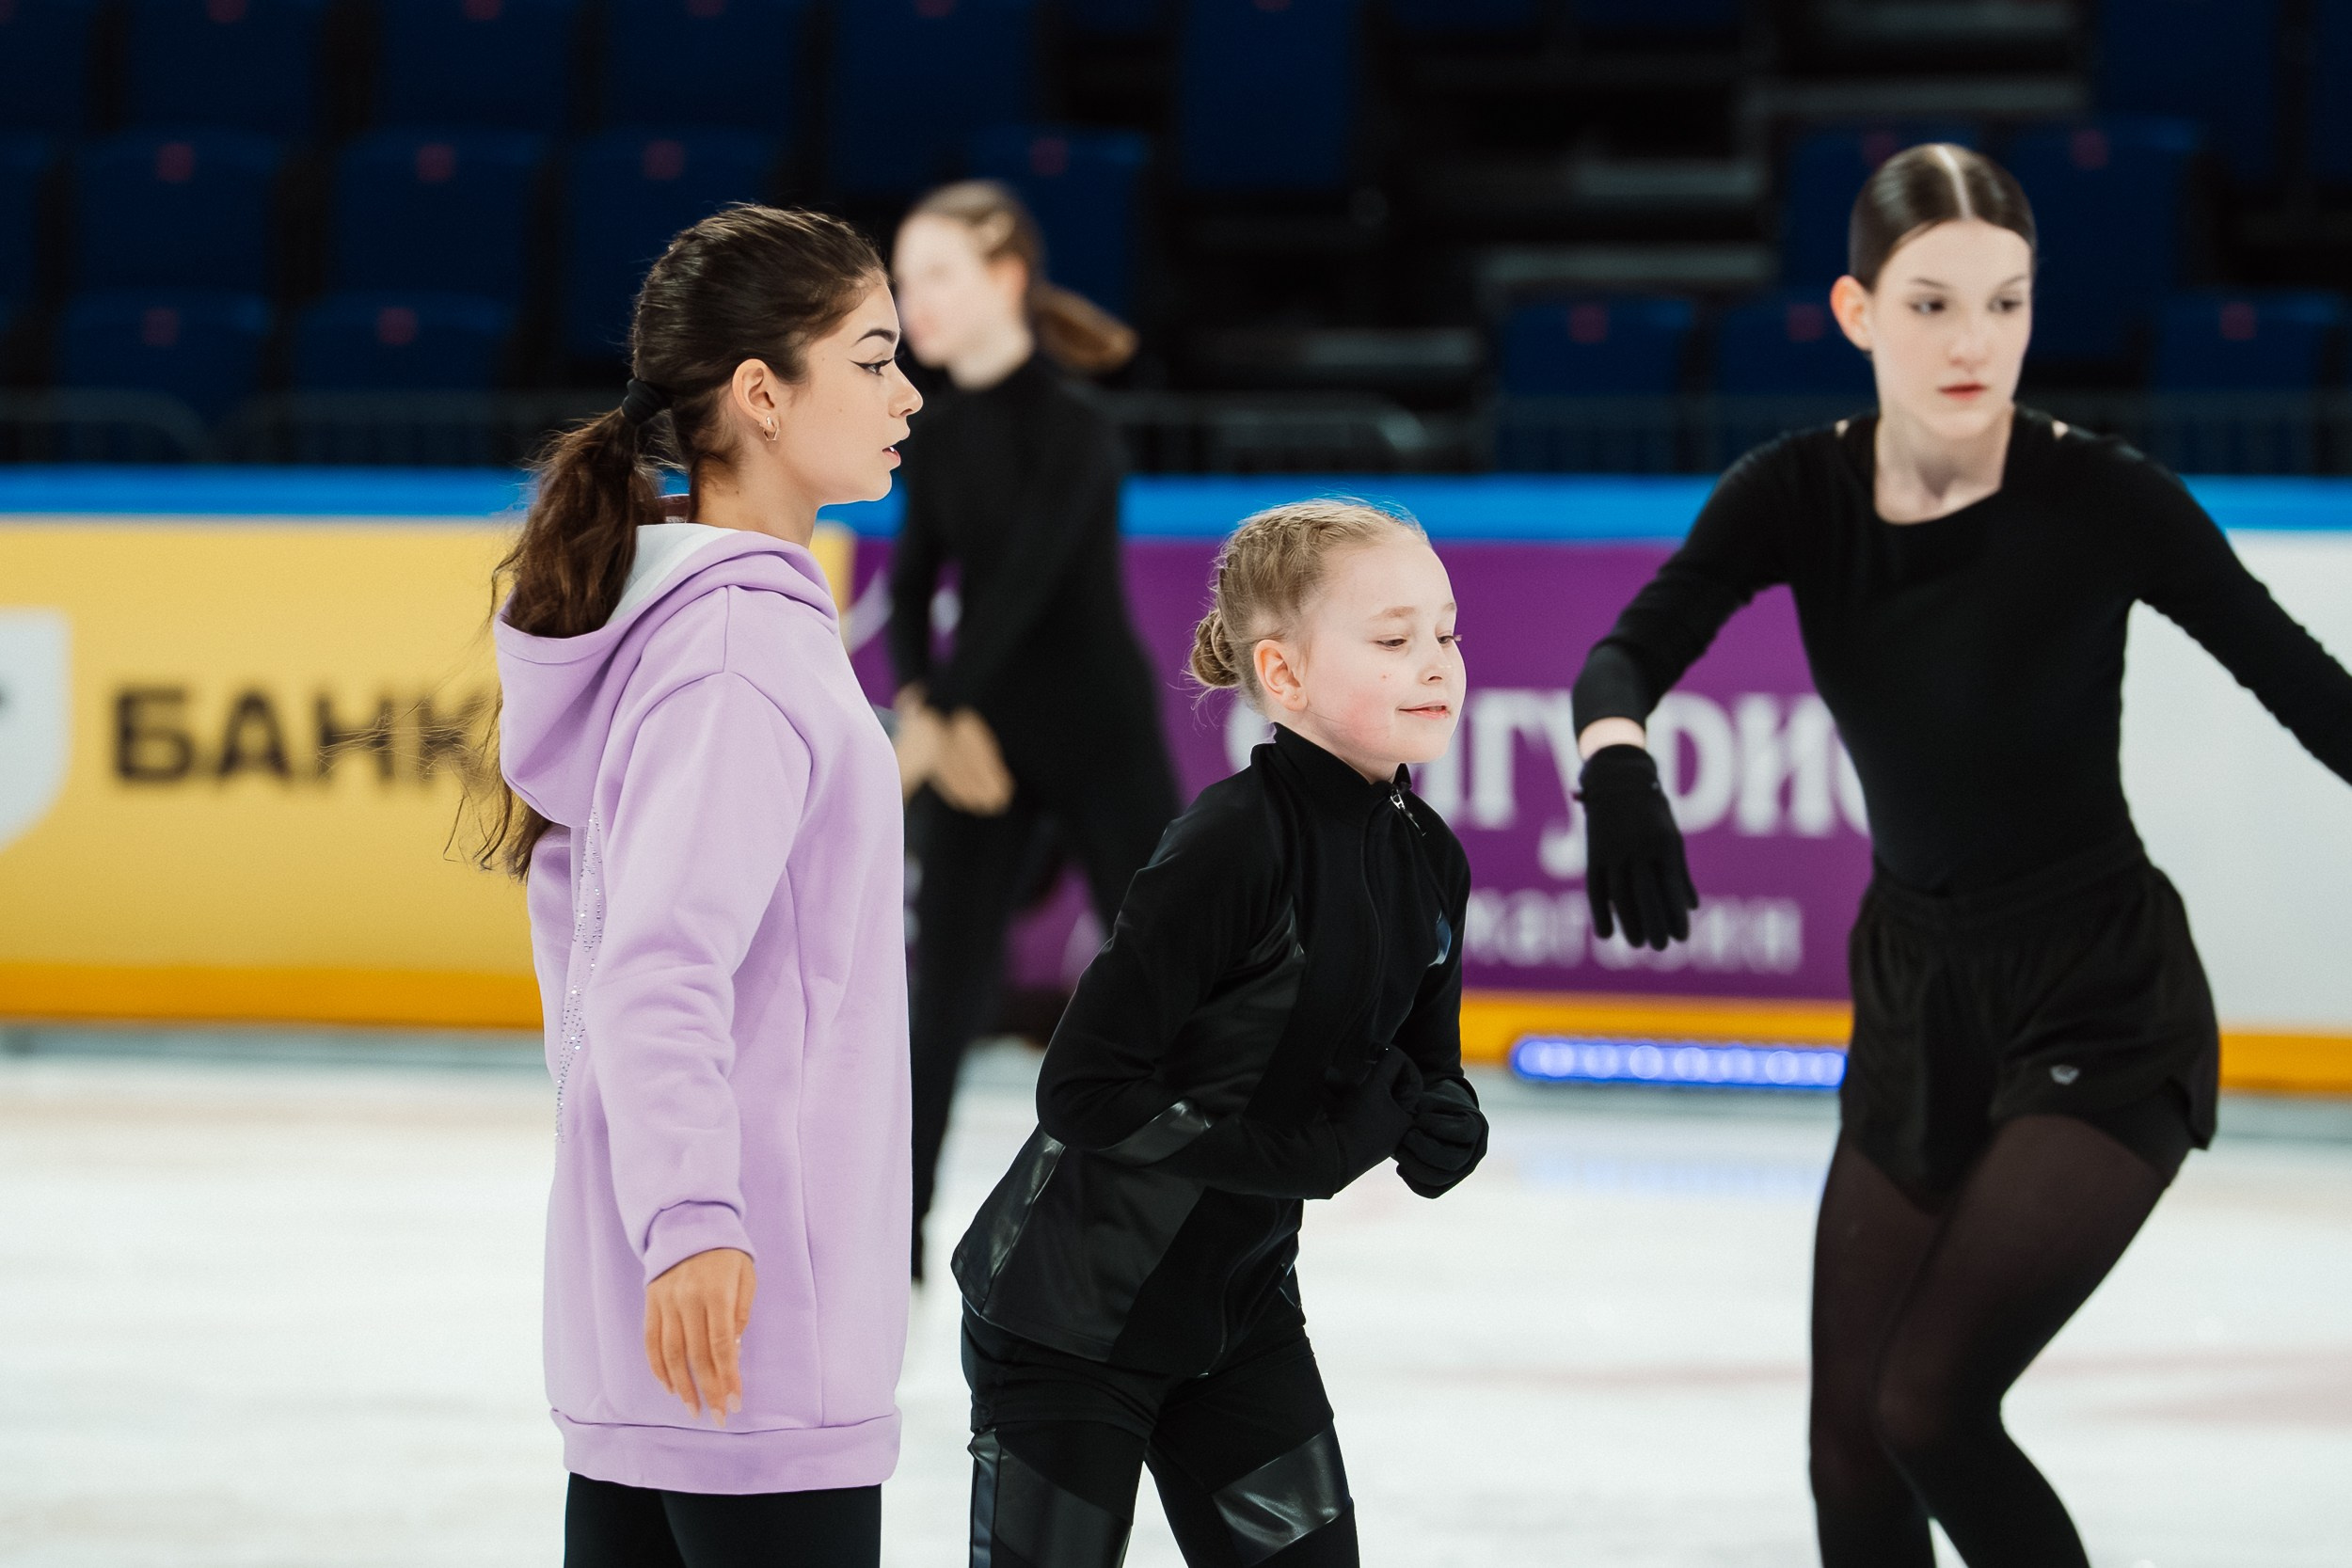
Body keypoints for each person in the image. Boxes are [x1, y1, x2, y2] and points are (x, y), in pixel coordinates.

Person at [1570, 145, 2352, 1567]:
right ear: (1858, 311)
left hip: (2101, 998)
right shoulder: (1795, 493)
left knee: (1931, 1403)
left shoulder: (2102, 495)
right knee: (1848, 1443)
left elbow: (2311, 691)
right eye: (1932, 304)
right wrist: (1615, 755)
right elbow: (1628, 648)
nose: (1973, 341)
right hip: (1919, 998)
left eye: (2006, 303)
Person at [478, 206, 924, 1568]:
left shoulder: (702, 627)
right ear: (761, 395)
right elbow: (657, 963)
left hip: (671, 1318)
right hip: (745, 1322)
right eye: (873, 357)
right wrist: (694, 1222)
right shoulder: (734, 651)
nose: (908, 392)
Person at [948, 499, 1491, 1568]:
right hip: (1068, 1321)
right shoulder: (1227, 845)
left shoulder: (1428, 854)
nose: (1435, 661)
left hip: (1237, 1314)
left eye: (1446, 629)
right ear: (1284, 678)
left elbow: (1428, 1064)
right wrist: (1304, 1157)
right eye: (1392, 638)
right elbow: (1085, 1088)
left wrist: (1449, 1125)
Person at [887, 180, 1181, 1277]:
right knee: (942, 987)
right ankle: (896, 1227)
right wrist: (932, 708)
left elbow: (1019, 585)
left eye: (937, 275)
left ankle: (1191, 1214)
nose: (914, 299)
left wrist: (944, 706)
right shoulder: (938, 433)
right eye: (905, 279)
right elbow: (914, 589)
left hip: (1096, 729)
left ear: (1005, 275)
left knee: (1166, 975)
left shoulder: (1080, 430)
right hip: (983, 744)